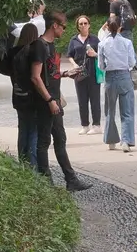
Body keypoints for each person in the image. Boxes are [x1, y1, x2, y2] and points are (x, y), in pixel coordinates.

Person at [29, 10, 93, 191]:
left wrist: (66, 73)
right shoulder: (40, 46)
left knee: (60, 139)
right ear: (54, 25)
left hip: (54, 99)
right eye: (63, 26)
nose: (65, 30)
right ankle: (46, 182)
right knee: (43, 142)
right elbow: (35, 77)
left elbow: (48, 73)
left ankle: (71, 180)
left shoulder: (51, 46)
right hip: (46, 101)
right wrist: (50, 100)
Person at [98, 14, 137, 153]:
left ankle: (111, 140)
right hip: (124, 76)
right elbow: (132, 62)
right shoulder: (127, 43)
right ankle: (126, 141)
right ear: (120, 27)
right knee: (127, 111)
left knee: (110, 110)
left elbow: (101, 65)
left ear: (107, 28)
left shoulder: (102, 44)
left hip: (110, 77)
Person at [7, 22, 43, 168]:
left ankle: (23, 162)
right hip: (32, 97)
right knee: (34, 132)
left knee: (23, 130)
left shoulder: (14, 52)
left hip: (18, 96)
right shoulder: (33, 53)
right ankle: (33, 166)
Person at [67, 14, 102, 133]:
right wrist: (74, 64)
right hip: (79, 73)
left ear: (89, 25)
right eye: (80, 24)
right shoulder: (74, 40)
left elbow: (102, 54)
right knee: (82, 100)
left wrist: (95, 54)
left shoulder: (94, 39)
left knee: (95, 99)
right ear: (77, 26)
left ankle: (96, 125)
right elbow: (70, 55)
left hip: (92, 72)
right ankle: (85, 125)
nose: (83, 25)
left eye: (85, 23)